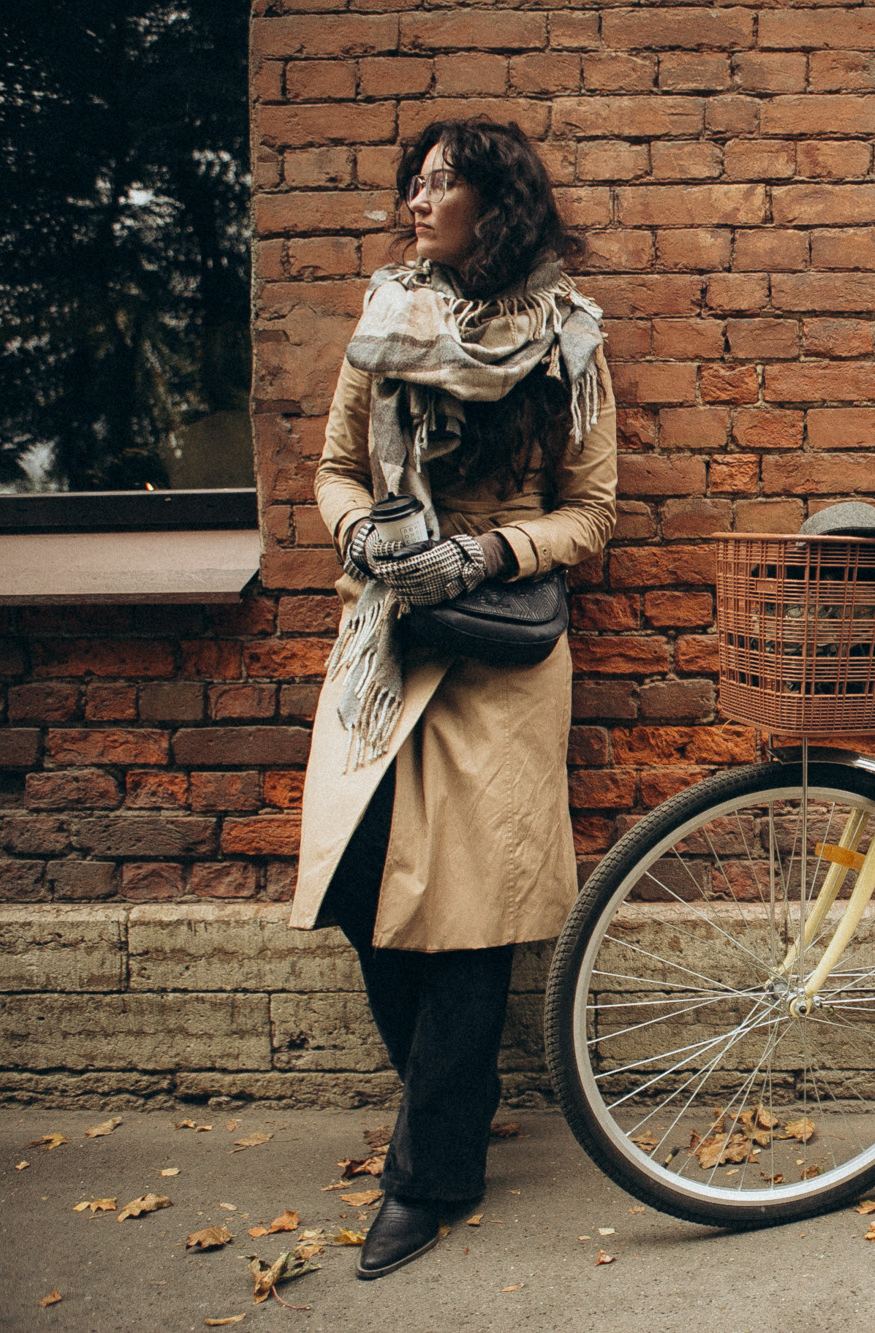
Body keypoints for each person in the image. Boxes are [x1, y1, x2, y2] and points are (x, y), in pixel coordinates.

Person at [289, 118, 617, 1280]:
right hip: (382, 641)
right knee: (359, 890)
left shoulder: (565, 337)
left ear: (495, 206)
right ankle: (455, 1103)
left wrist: (486, 554)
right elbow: (333, 468)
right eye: (412, 184)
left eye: (438, 187)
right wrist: (364, 532)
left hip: (497, 654)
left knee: (469, 920)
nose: (415, 204)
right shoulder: (384, 323)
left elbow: (593, 512)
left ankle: (427, 1175)